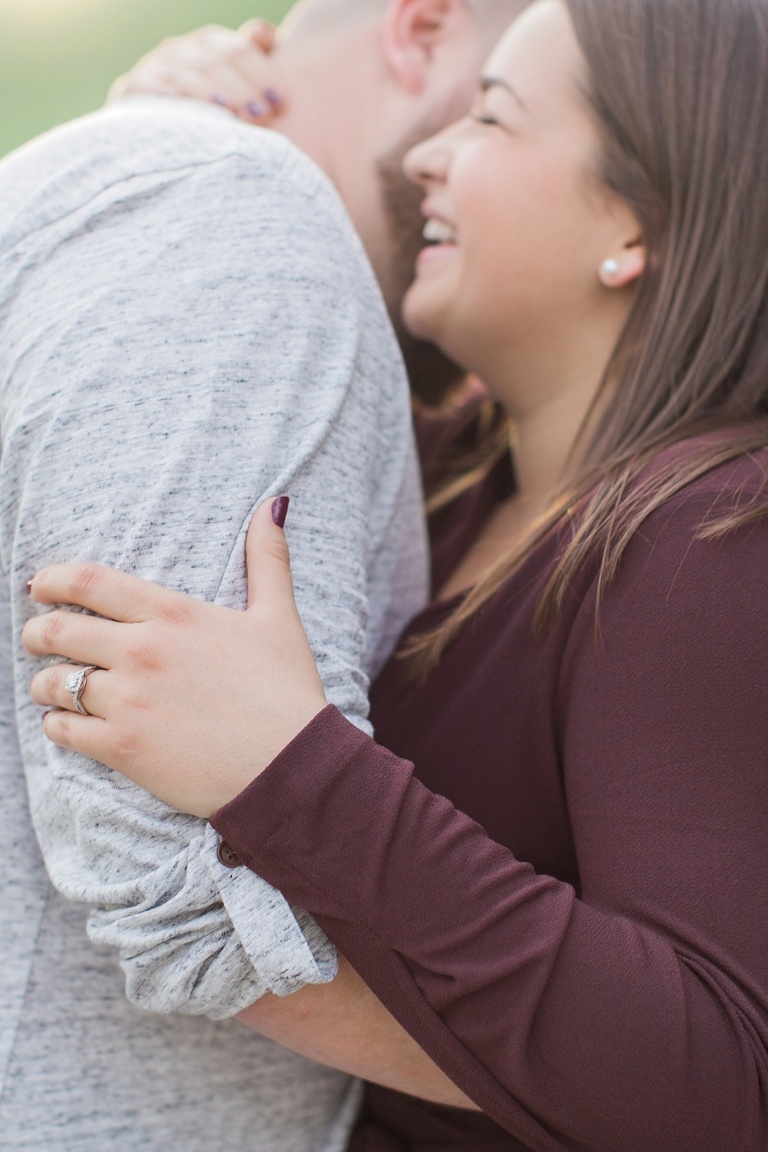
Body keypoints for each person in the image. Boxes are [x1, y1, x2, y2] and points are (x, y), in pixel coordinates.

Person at [25, 0, 768, 1149]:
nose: (426, 152)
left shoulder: (711, 538)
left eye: (489, 117)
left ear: (637, 213)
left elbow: (719, 1088)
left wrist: (291, 768)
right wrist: (174, 153)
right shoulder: (466, 478)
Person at [0, 0, 522, 1147]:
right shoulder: (244, 216)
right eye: (516, 100)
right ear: (424, 30)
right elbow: (191, 888)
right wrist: (645, 1091)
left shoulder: (183, 201)